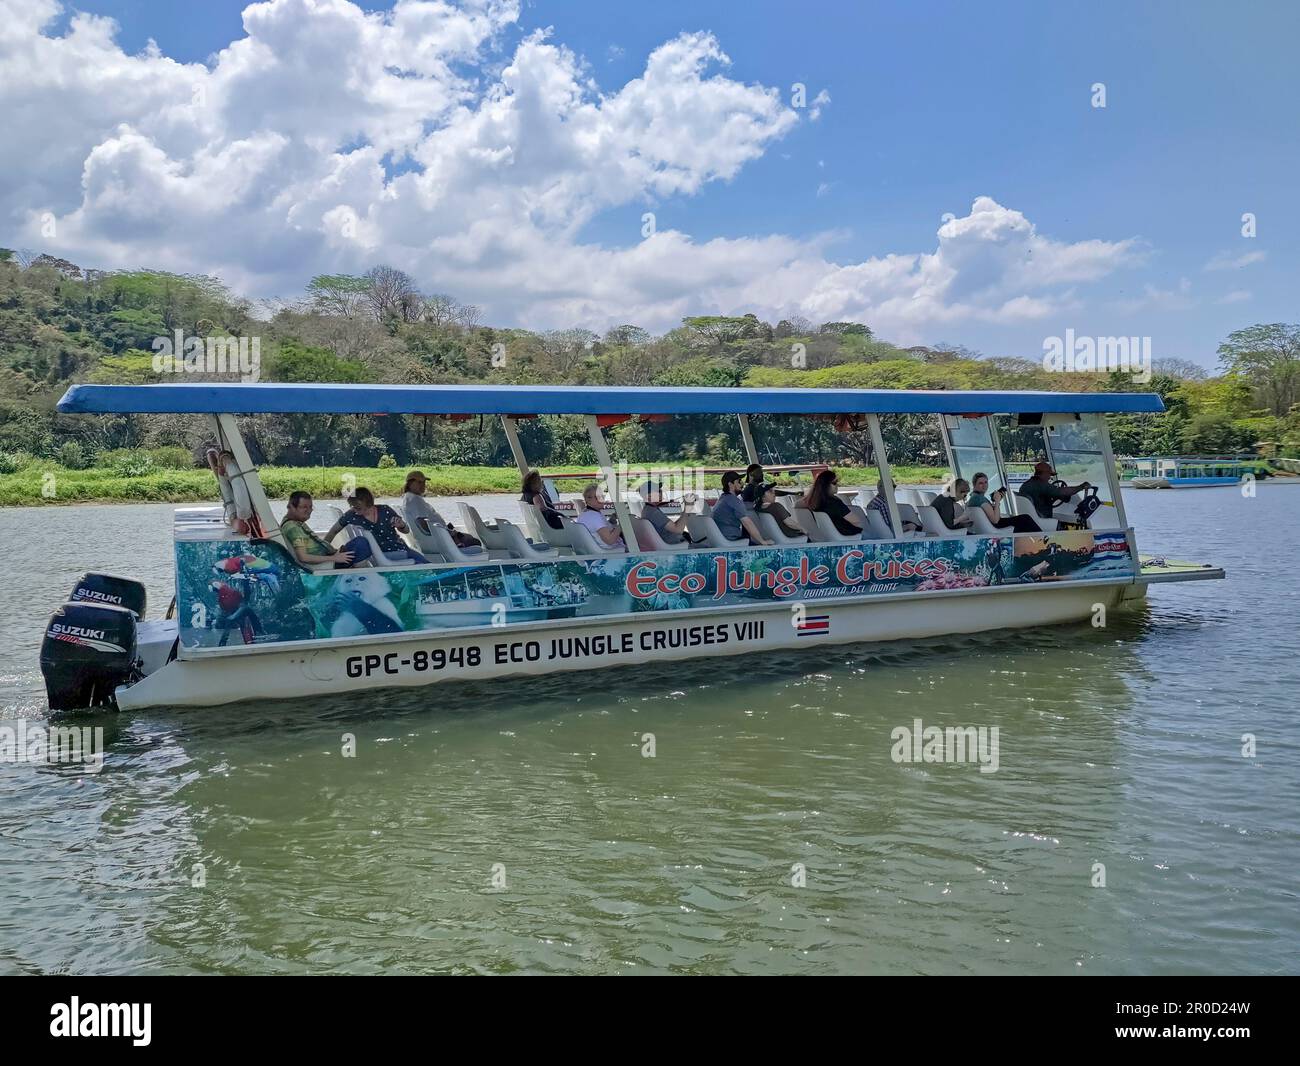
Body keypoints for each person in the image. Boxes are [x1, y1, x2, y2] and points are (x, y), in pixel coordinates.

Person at [325, 487, 428, 564]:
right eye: (352, 506)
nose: (354, 510)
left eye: (358, 507)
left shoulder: (385, 510)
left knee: (428, 565)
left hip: (398, 548)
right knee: (427, 566)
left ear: (369, 504)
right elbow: (333, 531)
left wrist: (401, 525)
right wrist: (323, 550)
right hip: (383, 554)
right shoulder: (351, 515)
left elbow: (406, 530)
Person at [281, 491, 373, 568]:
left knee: (359, 544)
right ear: (291, 507)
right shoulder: (293, 528)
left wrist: (331, 551)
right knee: (361, 543)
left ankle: (357, 570)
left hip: (329, 557)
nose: (309, 511)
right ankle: (359, 575)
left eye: (310, 507)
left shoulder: (295, 522)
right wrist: (335, 558)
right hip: (327, 565)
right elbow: (303, 557)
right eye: (304, 507)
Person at [402, 471, 481, 550]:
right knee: (475, 542)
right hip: (438, 539)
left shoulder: (410, 498)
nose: (423, 485)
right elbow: (424, 524)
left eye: (424, 482)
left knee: (469, 538)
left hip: (437, 536)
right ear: (410, 484)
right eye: (419, 482)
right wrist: (447, 533)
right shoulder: (414, 500)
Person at [964, 472, 1043, 534]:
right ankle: (1043, 537)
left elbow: (988, 512)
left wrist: (994, 504)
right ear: (974, 485)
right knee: (1025, 518)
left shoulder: (973, 497)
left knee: (1022, 521)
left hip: (990, 525)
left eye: (986, 482)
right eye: (980, 483)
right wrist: (997, 501)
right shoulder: (979, 499)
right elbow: (995, 520)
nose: (984, 485)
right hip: (996, 525)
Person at [1019, 460, 1091, 523]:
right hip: (1043, 517)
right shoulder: (1042, 485)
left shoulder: (1025, 485)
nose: (1050, 477)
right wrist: (1081, 486)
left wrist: (1053, 498)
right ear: (1044, 473)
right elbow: (1064, 492)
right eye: (1049, 475)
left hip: (1033, 517)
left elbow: (1041, 498)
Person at [715, 471, 774, 545]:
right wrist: (762, 541)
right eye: (739, 481)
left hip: (724, 536)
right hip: (731, 538)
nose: (742, 484)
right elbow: (747, 522)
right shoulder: (734, 501)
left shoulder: (723, 498)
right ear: (730, 484)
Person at [806, 469, 864, 538]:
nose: (837, 485)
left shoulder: (815, 501)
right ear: (826, 485)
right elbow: (856, 521)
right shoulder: (834, 502)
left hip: (829, 536)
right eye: (834, 483)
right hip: (846, 535)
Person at [637, 480, 693, 546]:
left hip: (666, 541)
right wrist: (687, 509)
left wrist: (684, 515)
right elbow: (678, 530)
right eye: (658, 491)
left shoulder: (647, 510)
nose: (661, 492)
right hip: (673, 544)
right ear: (649, 496)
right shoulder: (654, 513)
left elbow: (674, 527)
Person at [575, 484, 625, 549]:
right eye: (597, 497)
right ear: (587, 500)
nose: (601, 499)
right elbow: (609, 540)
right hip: (613, 552)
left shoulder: (584, 514)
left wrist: (611, 521)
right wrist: (622, 523)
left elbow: (598, 528)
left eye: (602, 496)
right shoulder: (595, 517)